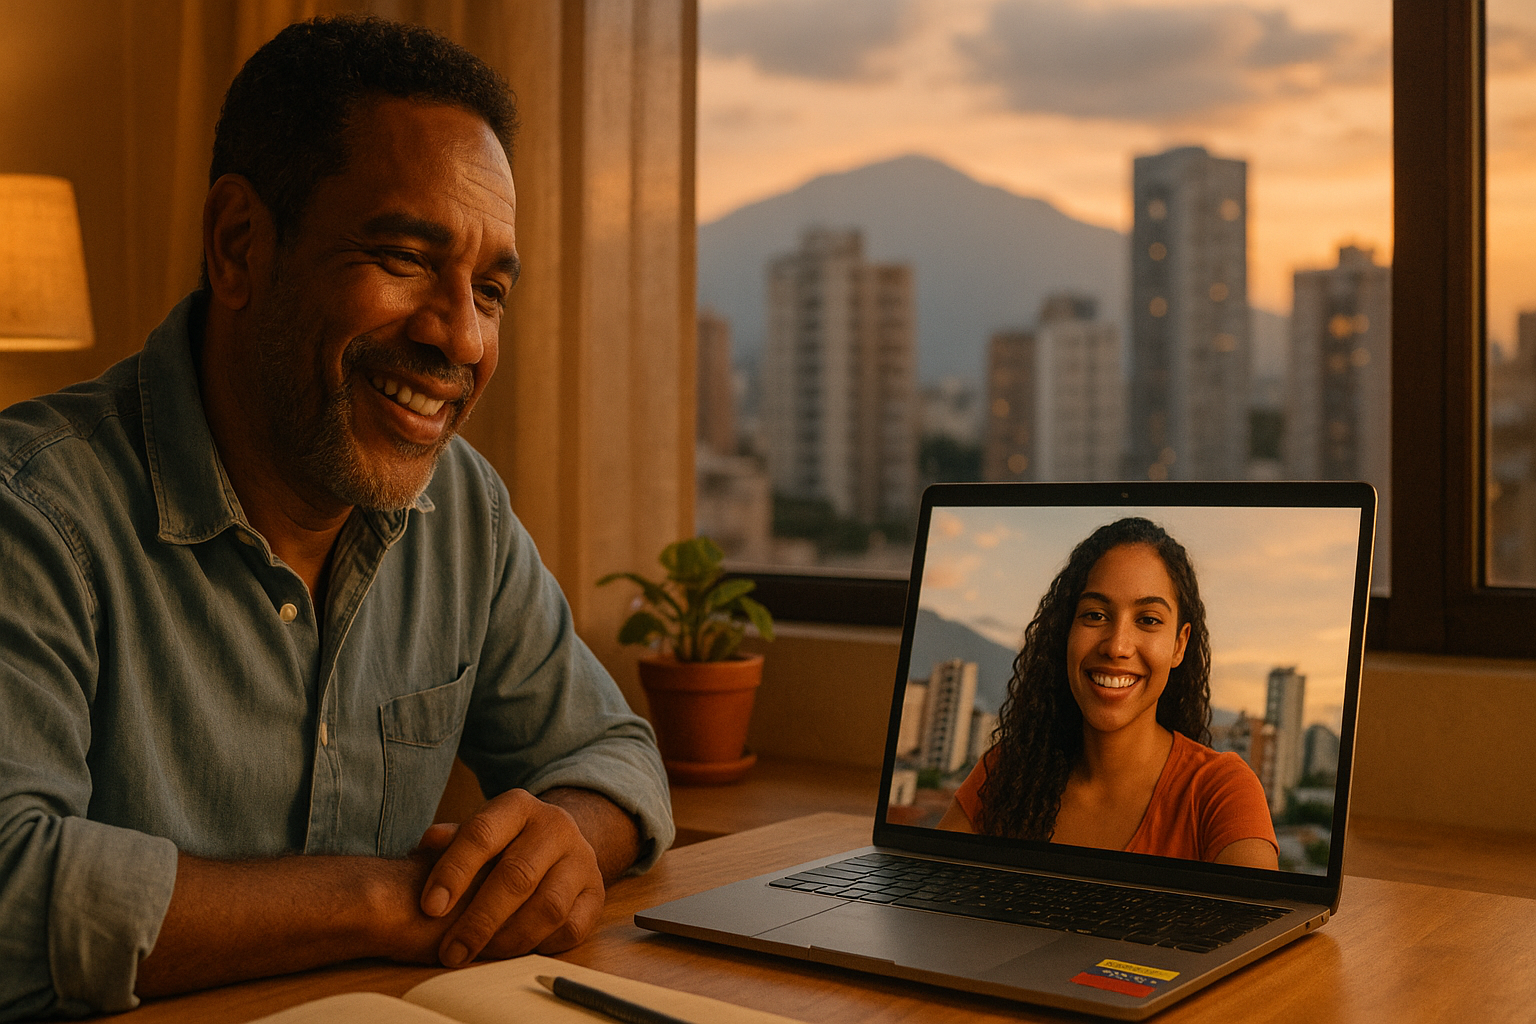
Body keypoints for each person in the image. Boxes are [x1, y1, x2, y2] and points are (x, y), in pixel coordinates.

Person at [0, 16, 672, 1020]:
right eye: (403, 257)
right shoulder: (32, 514)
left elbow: (614, 752)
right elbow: (10, 892)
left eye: (491, 290)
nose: (461, 338)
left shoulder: (465, 511)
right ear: (239, 245)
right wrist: (386, 900)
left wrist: (565, 837)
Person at [937, 517, 1278, 869]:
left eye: (1148, 620)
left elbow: (1258, 902)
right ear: (1066, 632)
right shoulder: (1008, 772)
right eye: (1096, 615)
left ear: (1179, 645)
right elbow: (932, 884)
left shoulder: (1220, 792)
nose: (1116, 647)